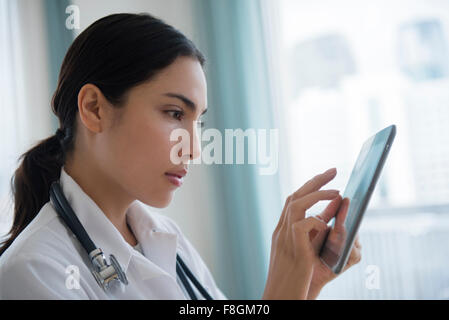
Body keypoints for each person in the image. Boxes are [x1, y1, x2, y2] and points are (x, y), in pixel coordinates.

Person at [0, 13, 361, 300]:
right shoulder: (34, 272)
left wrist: (306, 284)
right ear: (95, 108)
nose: (193, 148)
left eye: (197, 121)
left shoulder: (165, 237)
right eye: (174, 114)